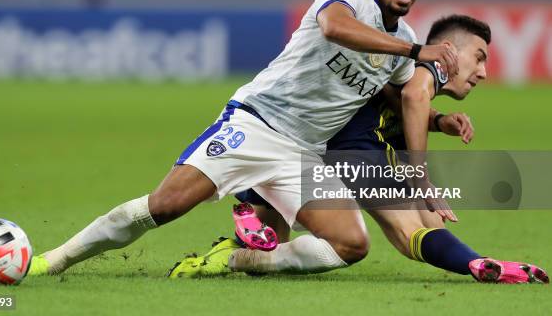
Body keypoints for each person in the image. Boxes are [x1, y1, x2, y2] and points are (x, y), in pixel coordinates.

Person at [28, 0, 459, 278]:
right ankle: (55, 260)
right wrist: (416, 54)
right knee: (165, 206)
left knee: (351, 245)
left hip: (304, 154)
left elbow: (401, 98)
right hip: (254, 124)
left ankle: (233, 258)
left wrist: (439, 120)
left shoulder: (403, 40)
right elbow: (332, 28)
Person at [169, 15, 548, 284]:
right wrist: (421, 175)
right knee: (400, 231)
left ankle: (236, 238)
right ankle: (242, 237)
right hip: (350, 147)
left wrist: (437, 120)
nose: (483, 71)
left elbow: (400, 96)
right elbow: (414, 94)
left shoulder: (400, 70)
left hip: (298, 137)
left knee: (276, 239)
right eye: (479, 57)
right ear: (449, 49)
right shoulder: (431, 66)